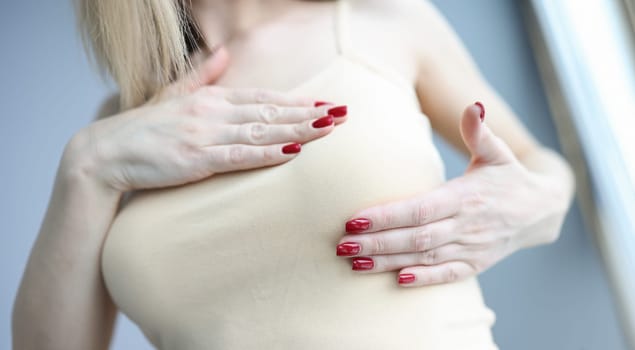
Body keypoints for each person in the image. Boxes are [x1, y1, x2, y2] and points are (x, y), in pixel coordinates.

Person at [12, 0, 575, 349]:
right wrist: (85, 167)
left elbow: (544, 171)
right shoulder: (120, 130)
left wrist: (528, 206)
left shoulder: (382, 21)